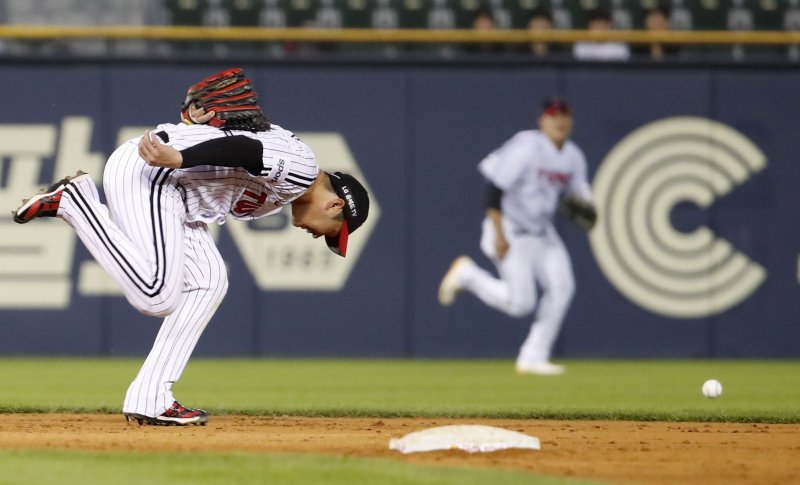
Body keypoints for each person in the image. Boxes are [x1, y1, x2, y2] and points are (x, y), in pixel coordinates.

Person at [12, 68, 370, 425]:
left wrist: (191, 122)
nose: (318, 235)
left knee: (210, 281)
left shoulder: (286, 190)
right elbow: (245, 148)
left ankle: (151, 398)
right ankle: (76, 202)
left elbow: (235, 137)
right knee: (157, 296)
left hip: (176, 194)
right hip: (155, 175)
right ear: (336, 205)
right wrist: (181, 157)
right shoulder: (302, 171)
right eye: (331, 232)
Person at [438, 97, 596, 376]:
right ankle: (468, 275)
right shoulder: (526, 147)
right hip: (509, 227)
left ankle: (533, 357)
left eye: (565, 115)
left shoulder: (573, 156)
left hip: (542, 231)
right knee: (521, 304)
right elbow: (494, 191)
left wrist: (588, 205)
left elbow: (580, 196)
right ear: (542, 120)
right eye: (553, 115)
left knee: (563, 288)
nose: (560, 120)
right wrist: (499, 234)